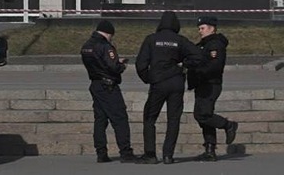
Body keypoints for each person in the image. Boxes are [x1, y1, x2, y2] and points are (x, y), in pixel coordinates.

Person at [134, 10, 203, 164]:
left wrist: (149, 78)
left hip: (158, 83)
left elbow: (140, 64)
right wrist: (184, 65)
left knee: (150, 117)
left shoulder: (151, 40)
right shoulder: (180, 40)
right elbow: (198, 55)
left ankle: (150, 154)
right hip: (177, 82)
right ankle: (168, 155)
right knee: (173, 119)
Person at [80, 20, 136, 163]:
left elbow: (97, 64)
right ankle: (126, 152)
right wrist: (121, 65)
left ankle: (101, 153)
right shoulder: (105, 46)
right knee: (120, 118)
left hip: (95, 85)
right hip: (109, 87)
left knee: (100, 120)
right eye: (111, 36)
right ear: (108, 33)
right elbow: (113, 67)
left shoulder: (86, 46)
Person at [187, 15, 239, 161]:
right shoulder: (204, 44)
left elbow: (215, 66)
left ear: (212, 29)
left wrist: (197, 70)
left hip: (211, 84)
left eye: (202, 28)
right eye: (199, 28)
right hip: (202, 84)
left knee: (202, 115)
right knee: (204, 115)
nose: (200, 31)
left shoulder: (215, 44)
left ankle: (228, 125)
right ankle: (210, 149)